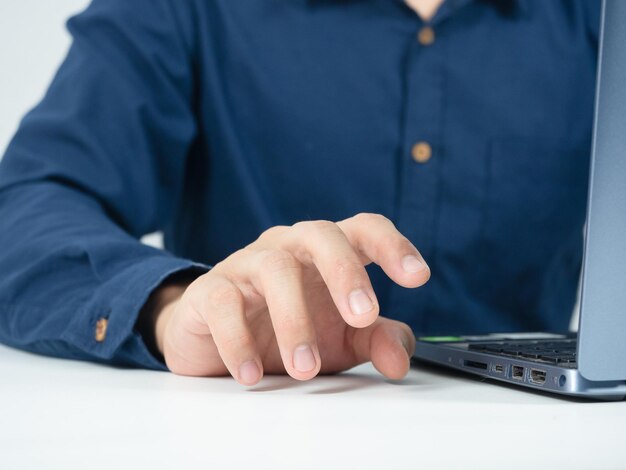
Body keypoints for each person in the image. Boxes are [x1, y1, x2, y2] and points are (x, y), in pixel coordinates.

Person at [0, 0, 600, 385]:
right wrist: (176, 304)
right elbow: (24, 206)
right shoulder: (186, 10)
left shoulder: (597, 17)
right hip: (256, 425)